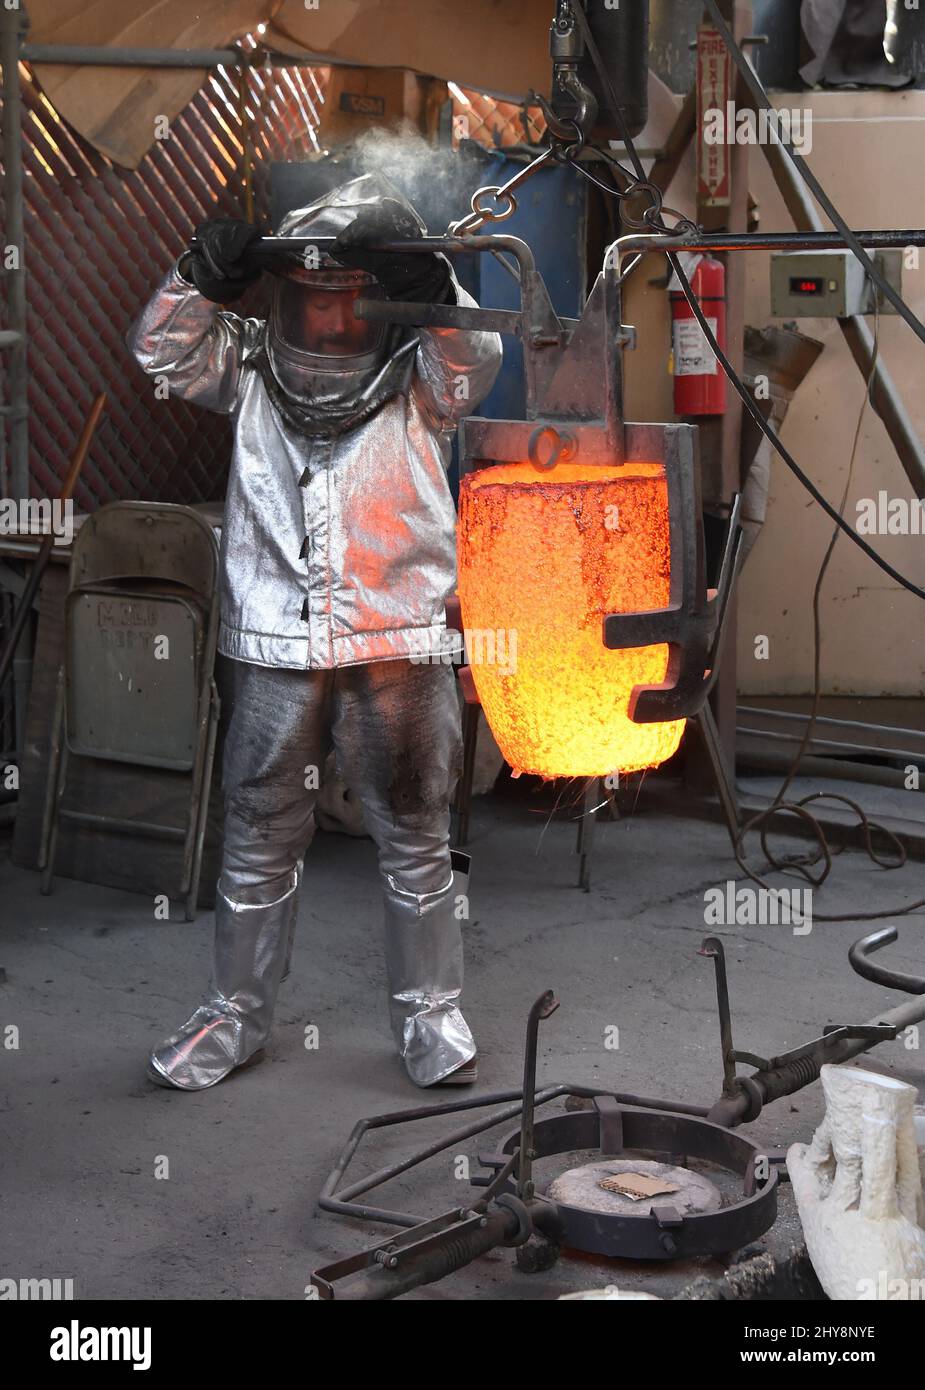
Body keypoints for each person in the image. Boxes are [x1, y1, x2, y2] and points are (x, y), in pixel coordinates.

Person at [127, 173, 502, 1090]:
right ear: (281, 295)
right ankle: (234, 1018)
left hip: (396, 637)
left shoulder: (422, 371)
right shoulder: (247, 361)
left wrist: (433, 288)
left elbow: (475, 356)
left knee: (414, 831)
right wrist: (196, 278)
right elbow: (159, 354)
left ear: (385, 302)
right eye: (313, 298)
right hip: (272, 641)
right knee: (257, 833)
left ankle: (430, 1019)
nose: (332, 323)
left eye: (353, 300)